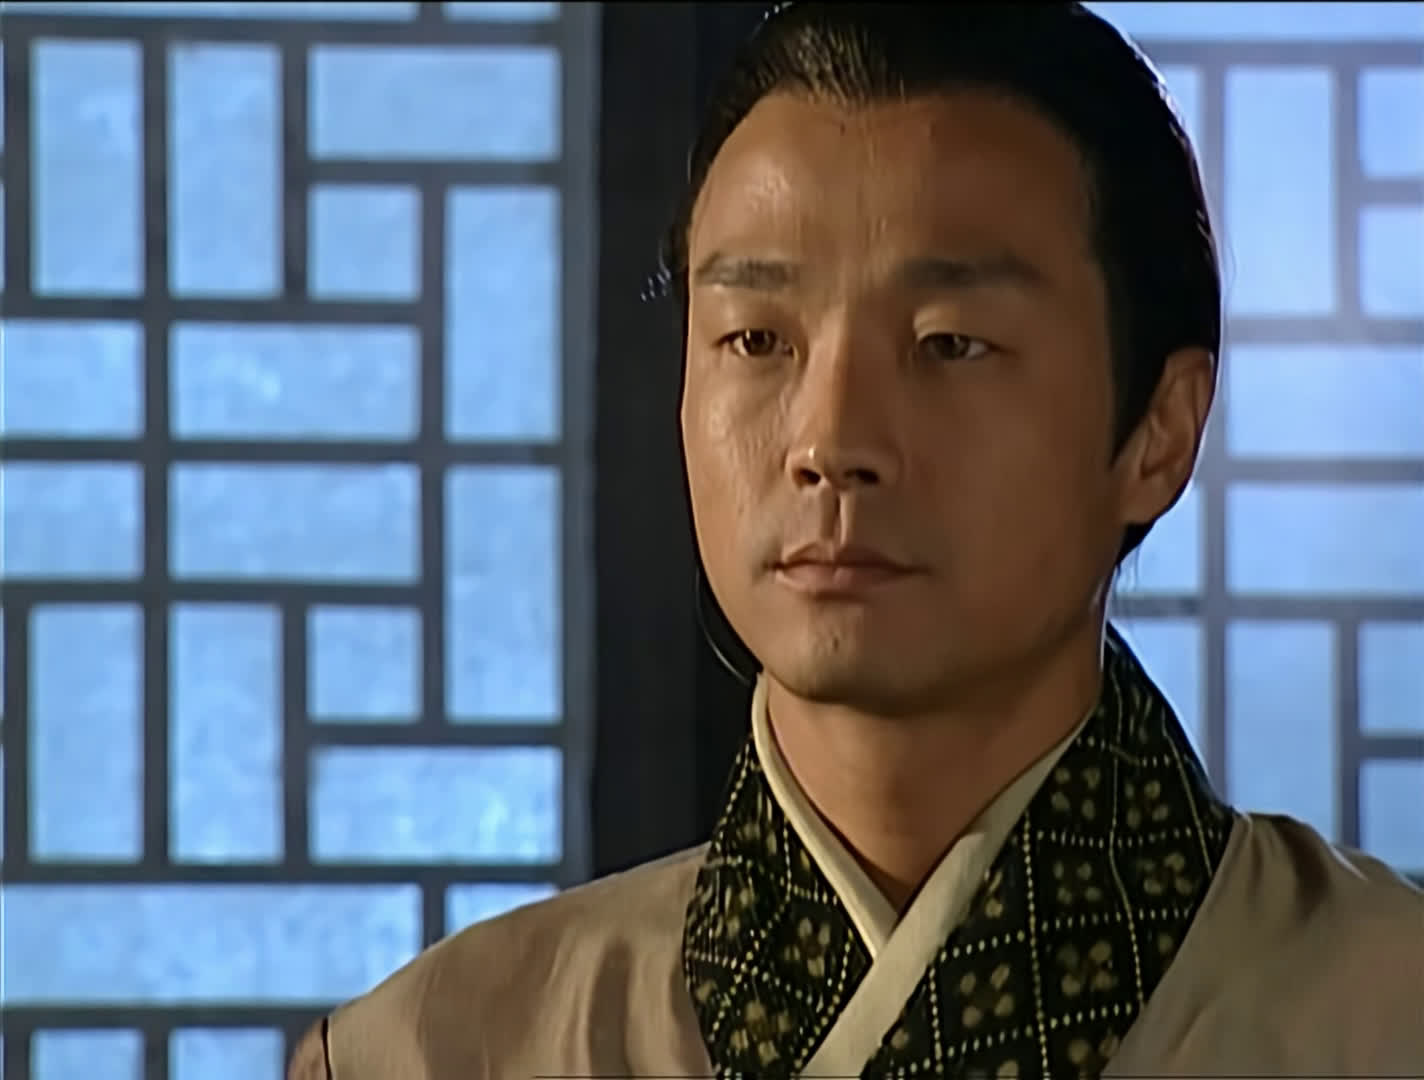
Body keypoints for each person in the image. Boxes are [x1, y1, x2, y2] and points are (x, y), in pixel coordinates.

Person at [290, 4, 1424, 1077]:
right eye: (756, 339)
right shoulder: (439, 1051)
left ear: (1158, 432)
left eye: (949, 344)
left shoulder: (1386, 1013)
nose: (829, 442)